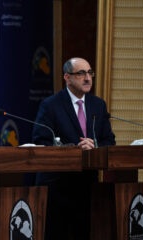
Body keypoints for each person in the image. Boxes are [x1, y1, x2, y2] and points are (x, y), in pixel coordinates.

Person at [32, 57, 115, 240]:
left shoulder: (98, 105)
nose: (87, 78)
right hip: (57, 188)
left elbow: (109, 141)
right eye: (81, 73)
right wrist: (74, 149)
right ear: (67, 77)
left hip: (87, 187)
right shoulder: (51, 105)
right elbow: (41, 142)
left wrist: (95, 146)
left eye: (90, 73)